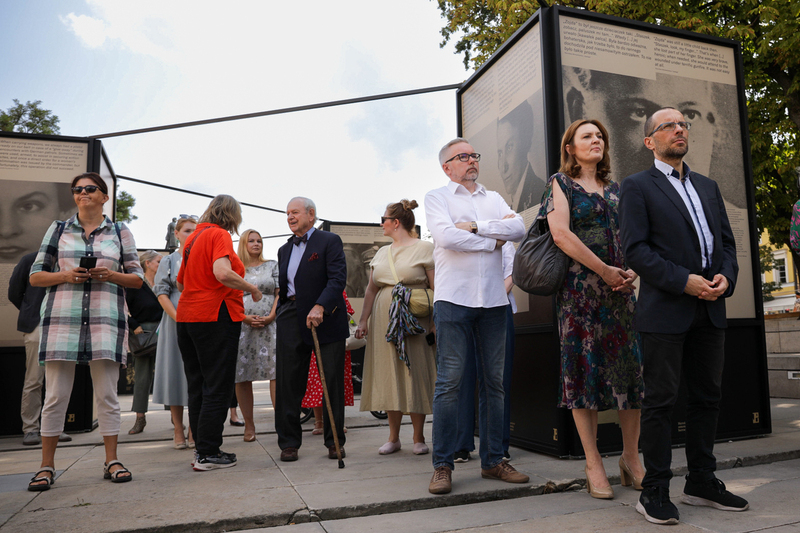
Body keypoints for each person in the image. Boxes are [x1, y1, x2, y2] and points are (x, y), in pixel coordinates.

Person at [619, 107, 746, 524]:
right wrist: (683, 281)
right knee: (660, 402)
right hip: (666, 312)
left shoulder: (709, 186)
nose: (679, 129)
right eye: (668, 126)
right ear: (649, 141)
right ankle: (654, 489)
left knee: (707, 398)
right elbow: (636, 250)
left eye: (683, 125)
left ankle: (701, 482)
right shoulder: (637, 186)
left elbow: (726, 245)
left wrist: (726, 276)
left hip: (711, 309)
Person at [543, 119, 645, 499]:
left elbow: (636, 236)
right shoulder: (560, 183)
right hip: (580, 294)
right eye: (587, 136)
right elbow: (561, 234)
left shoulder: (618, 189)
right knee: (581, 375)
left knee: (629, 374)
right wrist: (603, 270)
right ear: (570, 147)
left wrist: (632, 269)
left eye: (600, 135)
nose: (596, 140)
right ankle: (593, 462)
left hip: (620, 294)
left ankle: (632, 459)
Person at [27, 172, 144, 490]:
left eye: (90, 189)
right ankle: (46, 465)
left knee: (107, 395)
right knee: (54, 397)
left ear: (105, 197)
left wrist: (110, 274)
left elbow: (137, 278)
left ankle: (112, 460)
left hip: (105, 321)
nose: (83, 193)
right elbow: (36, 276)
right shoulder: (59, 229)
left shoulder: (120, 231)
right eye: (77, 190)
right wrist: (65, 275)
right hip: (62, 320)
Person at [424, 138, 527, 494]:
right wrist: (492, 238)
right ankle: (443, 464)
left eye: (473, 155)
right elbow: (446, 237)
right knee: (450, 382)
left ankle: (494, 460)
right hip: (454, 299)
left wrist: (474, 227)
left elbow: (519, 229)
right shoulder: (437, 197)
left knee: (495, 383)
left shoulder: (493, 197)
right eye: (462, 156)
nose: (470, 160)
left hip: (495, 301)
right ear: (447, 166)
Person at [176, 195, 262, 471]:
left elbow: (180, 283)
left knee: (198, 384)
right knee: (218, 385)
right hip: (215, 316)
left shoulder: (191, 239)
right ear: (232, 216)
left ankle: (201, 448)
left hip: (187, 317)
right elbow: (222, 273)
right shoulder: (219, 235)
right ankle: (209, 452)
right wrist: (252, 289)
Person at [355, 200, 436, 455]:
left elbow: (437, 288)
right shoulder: (381, 253)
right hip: (384, 321)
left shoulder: (425, 248)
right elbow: (371, 289)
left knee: (415, 373)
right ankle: (393, 438)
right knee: (388, 373)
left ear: (396, 222)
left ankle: (418, 437)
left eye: (384, 218)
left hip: (414, 320)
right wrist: (363, 319)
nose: (382, 223)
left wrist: (436, 322)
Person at [275, 197, 348, 462]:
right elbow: (284, 289)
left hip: (325, 317)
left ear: (311, 214)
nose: (290, 217)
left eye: (294, 212)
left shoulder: (329, 241)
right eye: (287, 213)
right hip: (290, 317)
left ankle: (334, 442)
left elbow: (338, 278)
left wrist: (320, 306)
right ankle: (289, 442)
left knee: (331, 381)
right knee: (288, 382)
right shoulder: (284, 249)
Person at [453, 241, 516, 463]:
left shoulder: (505, 244)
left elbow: (511, 275)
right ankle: (461, 444)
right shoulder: (459, 241)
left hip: (498, 309)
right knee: (463, 377)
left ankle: (498, 445)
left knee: (497, 380)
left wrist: (492, 299)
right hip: (464, 310)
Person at [8, 251, 71, 446]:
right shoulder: (29, 259)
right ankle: (31, 429)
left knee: (58, 380)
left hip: (61, 326)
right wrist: (30, 312)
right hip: (36, 325)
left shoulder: (68, 260)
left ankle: (54, 428)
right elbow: (14, 293)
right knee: (34, 379)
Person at [152, 216, 196, 449]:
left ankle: (195, 429)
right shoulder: (168, 260)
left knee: (195, 376)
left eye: (195, 230)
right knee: (175, 374)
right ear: (177, 234)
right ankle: (178, 428)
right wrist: (178, 318)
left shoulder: (205, 258)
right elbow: (161, 292)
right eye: (187, 230)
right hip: (174, 321)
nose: (191, 234)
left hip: (200, 321)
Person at [235, 229, 279, 442]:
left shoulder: (272, 265)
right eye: (251, 241)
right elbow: (229, 295)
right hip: (243, 326)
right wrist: (244, 317)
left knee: (276, 372)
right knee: (242, 375)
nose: (256, 244)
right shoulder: (235, 267)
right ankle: (249, 425)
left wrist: (271, 315)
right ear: (243, 244)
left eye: (259, 240)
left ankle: (280, 422)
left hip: (271, 325)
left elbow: (280, 292)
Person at [303, 290, 355, 436]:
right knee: (316, 381)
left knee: (336, 381)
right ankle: (318, 420)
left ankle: (337, 420)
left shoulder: (336, 287)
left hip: (335, 336)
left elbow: (348, 311)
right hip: (313, 337)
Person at [126, 250, 164, 435]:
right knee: (141, 377)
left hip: (166, 331)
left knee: (168, 374)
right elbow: (122, 308)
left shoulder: (166, 282)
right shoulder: (136, 284)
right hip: (143, 334)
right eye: (158, 261)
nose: (162, 264)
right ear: (147, 263)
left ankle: (175, 415)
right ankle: (140, 418)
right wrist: (134, 325)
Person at [496, 100, 546, 212]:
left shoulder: (541, 193)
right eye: (500, 153)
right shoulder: (509, 207)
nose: (503, 167)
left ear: (525, 143)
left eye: (509, 147)